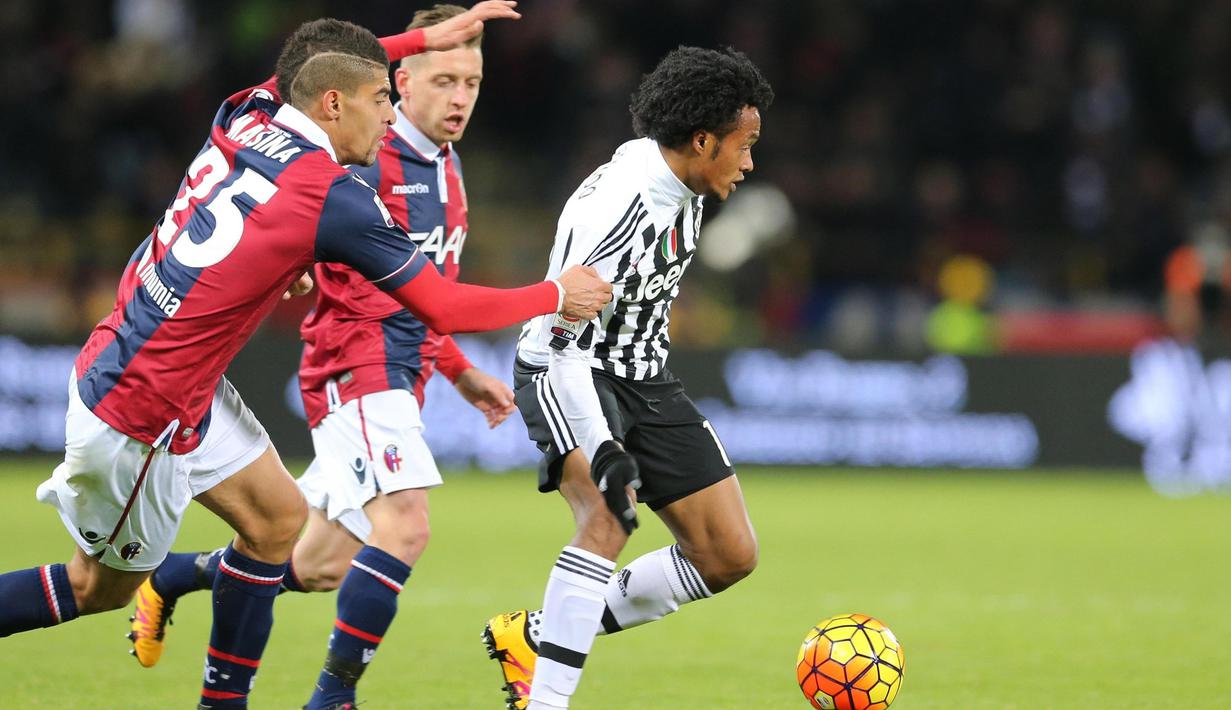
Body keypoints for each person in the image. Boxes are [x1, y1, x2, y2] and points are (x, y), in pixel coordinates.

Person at [0, 4, 611, 708]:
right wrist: (553, 292)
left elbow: (316, 61)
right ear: (332, 105)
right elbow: (442, 304)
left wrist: (420, 39)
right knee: (95, 588)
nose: (390, 117)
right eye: (383, 99)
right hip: (143, 410)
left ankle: (223, 699)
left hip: (155, 365)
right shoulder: (331, 196)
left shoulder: (248, 109)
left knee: (275, 523)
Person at [126, 5, 517, 708]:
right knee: (405, 527)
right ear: (399, 81)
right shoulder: (363, 152)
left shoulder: (446, 166)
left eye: (473, 82)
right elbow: (292, 206)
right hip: (355, 361)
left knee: (315, 565)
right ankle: (331, 699)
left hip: (404, 372)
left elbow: (429, 292)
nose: (460, 97)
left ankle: (175, 578)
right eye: (445, 79)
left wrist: (459, 372)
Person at [481, 46, 773, 710]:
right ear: (702, 140)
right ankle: (547, 702)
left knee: (727, 554)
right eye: (743, 145)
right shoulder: (624, 206)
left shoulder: (687, 183)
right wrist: (602, 444)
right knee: (608, 515)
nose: (749, 163)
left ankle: (532, 637)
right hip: (565, 366)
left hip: (642, 375)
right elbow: (556, 339)